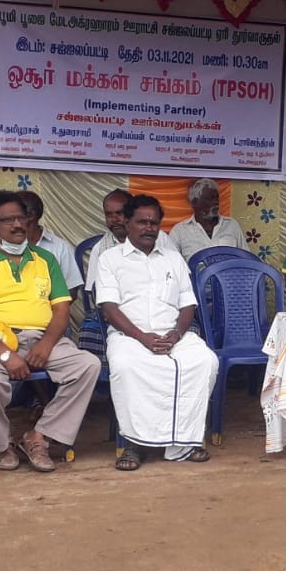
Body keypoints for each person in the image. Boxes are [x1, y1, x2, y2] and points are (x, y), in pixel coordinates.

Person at [0, 191, 101, 472]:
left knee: (88, 365)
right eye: (8, 219)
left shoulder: (45, 259)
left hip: (41, 338)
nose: (18, 225)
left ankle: (38, 436)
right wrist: (7, 355)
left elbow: (61, 310)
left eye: (21, 217)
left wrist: (47, 343)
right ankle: (0, 445)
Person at [96, 195, 218, 471]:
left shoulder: (173, 259)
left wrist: (176, 334)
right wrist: (143, 338)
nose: (149, 228)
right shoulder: (109, 259)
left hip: (173, 335)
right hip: (129, 336)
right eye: (142, 222)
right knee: (127, 367)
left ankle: (184, 442)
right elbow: (109, 308)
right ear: (127, 223)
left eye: (154, 222)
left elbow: (188, 305)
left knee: (205, 361)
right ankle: (135, 444)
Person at [21, 190, 84, 296]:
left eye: (15, 213)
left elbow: (71, 290)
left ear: (30, 215)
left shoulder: (60, 247)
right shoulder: (5, 247)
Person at [168, 178, 247, 258]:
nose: (216, 202)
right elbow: (171, 265)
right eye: (210, 198)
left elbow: (247, 260)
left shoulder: (232, 225)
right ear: (195, 202)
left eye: (217, 198)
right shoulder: (179, 231)